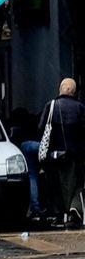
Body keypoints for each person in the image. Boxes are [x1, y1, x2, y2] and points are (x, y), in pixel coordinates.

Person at [39, 78, 85, 227]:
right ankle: (73, 209)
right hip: (74, 155)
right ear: (74, 91)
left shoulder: (51, 106)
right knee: (75, 184)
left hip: (54, 155)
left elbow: (41, 128)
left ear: (60, 89)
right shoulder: (80, 108)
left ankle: (60, 215)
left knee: (55, 185)